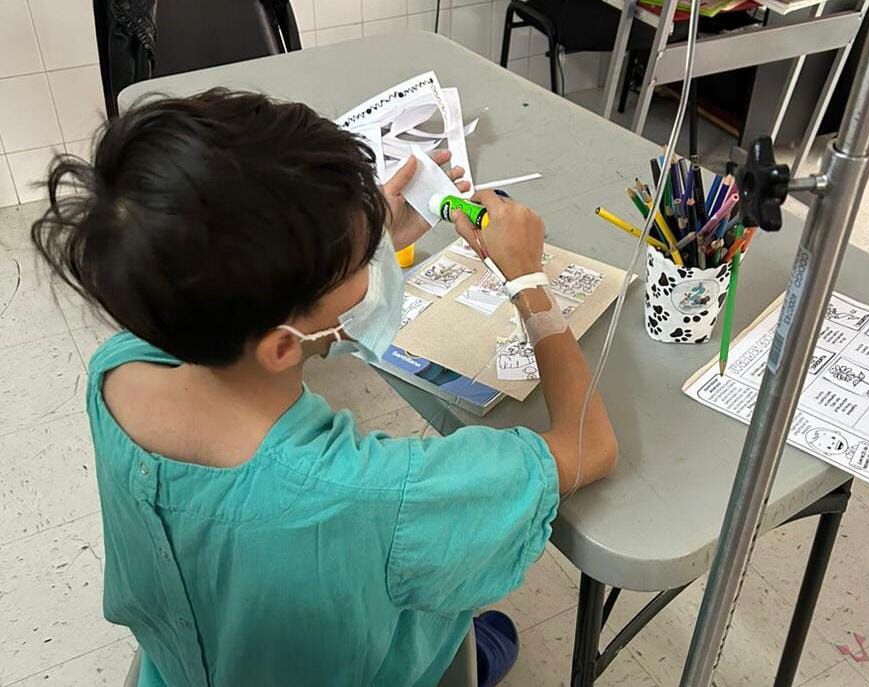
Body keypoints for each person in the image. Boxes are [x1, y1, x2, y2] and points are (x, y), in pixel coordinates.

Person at [31, 89, 618, 687]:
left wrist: (362, 232)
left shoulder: (119, 368)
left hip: (190, 663)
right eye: (364, 261)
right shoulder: (377, 495)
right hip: (357, 669)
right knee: (447, 622)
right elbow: (588, 445)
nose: (377, 264)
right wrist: (527, 279)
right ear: (283, 346)